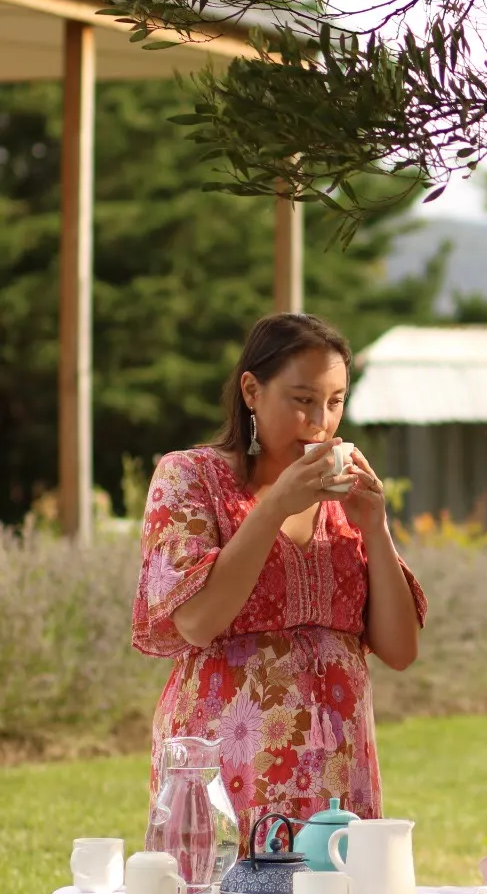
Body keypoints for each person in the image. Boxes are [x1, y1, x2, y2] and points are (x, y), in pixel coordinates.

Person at [134, 313, 427, 833]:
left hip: (338, 767)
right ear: (251, 390)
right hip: (227, 760)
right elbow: (197, 622)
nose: (321, 422)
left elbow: (400, 650)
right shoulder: (189, 477)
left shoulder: (345, 503)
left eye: (335, 401)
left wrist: (376, 529)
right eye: (302, 399)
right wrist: (271, 510)